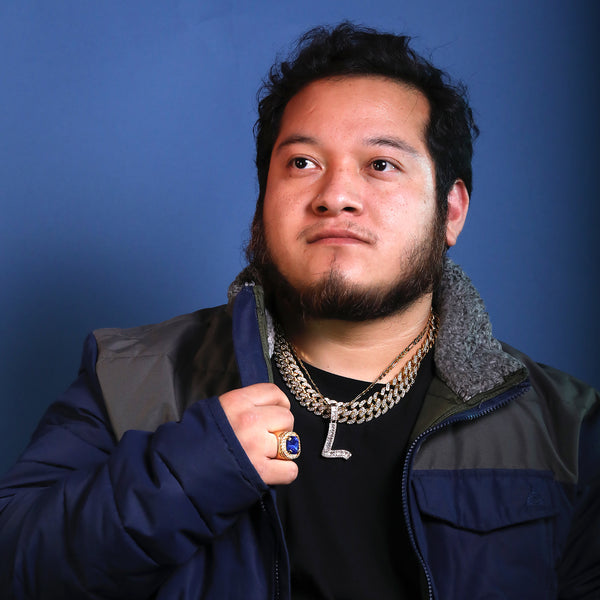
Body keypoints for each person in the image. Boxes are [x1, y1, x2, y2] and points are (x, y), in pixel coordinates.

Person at [0, 22, 598, 600]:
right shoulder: (128, 376)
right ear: (264, 200)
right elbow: (15, 565)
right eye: (302, 163)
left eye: (380, 164)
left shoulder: (565, 429)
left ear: (451, 212)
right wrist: (194, 469)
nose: (335, 196)